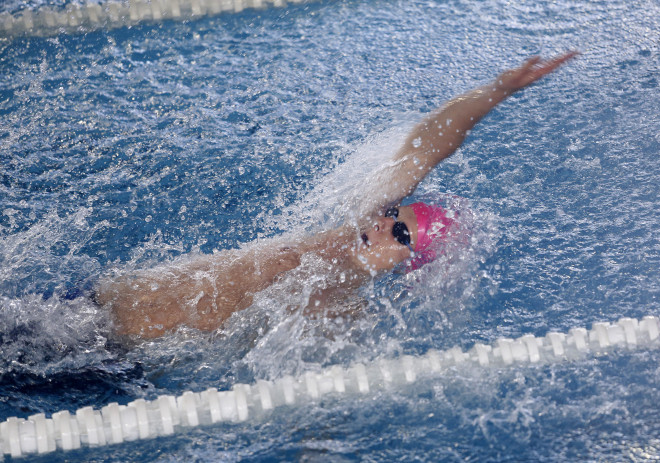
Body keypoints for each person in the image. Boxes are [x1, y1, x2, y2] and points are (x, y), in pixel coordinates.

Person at [95, 52, 578, 338]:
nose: (384, 223)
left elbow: (313, 402)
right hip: (94, 299)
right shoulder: (349, 226)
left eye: (401, 232)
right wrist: (498, 89)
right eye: (393, 213)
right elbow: (428, 145)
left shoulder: (344, 309)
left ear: (410, 263)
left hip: (107, 356)